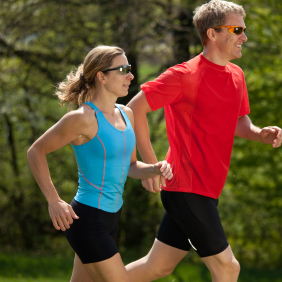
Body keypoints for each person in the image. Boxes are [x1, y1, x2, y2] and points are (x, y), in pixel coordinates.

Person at [124, 1, 282, 282]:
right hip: (186, 186)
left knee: (157, 267)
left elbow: (238, 121)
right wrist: (149, 164)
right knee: (227, 267)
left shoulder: (236, 75)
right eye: (237, 30)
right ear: (212, 34)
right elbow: (135, 108)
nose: (244, 37)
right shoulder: (184, 75)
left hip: (208, 188)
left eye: (244, 30)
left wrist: (258, 133)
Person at [27, 45, 173, 282]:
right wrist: (54, 200)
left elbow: (131, 167)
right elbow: (36, 151)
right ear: (102, 76)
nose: (131, 76)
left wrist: (156, 167)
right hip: (87, 219)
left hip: (112, 218)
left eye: (130, 69)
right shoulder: (82, 119)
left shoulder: (127, 114)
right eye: (123, 69)